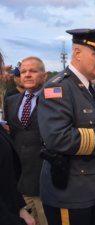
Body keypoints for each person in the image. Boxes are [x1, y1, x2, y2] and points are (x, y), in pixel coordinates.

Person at [37, 28, 95, 225]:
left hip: (93, 189)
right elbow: (57, 138)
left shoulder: (91, 87)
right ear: (77, 53)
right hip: (69, 193)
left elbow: (92, 124)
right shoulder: (57, 88)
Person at [4, 56, 48, 225]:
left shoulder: (55, 101)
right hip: (19, 182)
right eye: (23, 71)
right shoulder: (11, 101)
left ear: (44, 76)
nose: (27, 75)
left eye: (33, 71)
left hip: (44, 181)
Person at [0, 51, 35, 225]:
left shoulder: (51, 99)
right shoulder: (11, 99)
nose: (4, 76)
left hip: (35, 182)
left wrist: (19, 207)